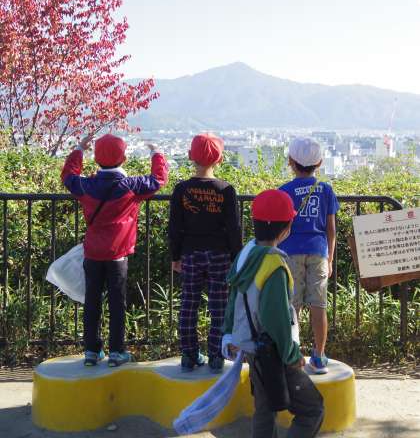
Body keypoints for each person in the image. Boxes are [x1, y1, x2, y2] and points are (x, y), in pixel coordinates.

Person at [222, 189, 324, 438]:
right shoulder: (274, 265)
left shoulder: (245, 256)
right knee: (312, 409)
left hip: (252, 346)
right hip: (275, 352)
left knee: (265, 409)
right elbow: (276, 319)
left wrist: (229, 334)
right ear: (286, 228)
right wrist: (291, 355)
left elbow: (233, 297)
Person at [61, 133, 168, 367]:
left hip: (93, 253)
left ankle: (91, 351)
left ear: (96, 159)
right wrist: (156, 153)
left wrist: (79, 149)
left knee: (92, 301)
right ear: (124, 158)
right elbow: (158, 179)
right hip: (118, 254)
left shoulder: (86, 185)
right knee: (117, 303)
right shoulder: (131, 186)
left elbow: (68, 175)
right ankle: (117, 352)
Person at [169, 133, 242, 373]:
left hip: (190, 253)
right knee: (219, 306)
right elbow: (234, 228)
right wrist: (236, 257)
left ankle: (189, 355)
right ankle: (216, 356)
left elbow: (174, 227)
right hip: (220, 254)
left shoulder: (182, 189)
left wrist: (175, 256)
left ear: (190, 156)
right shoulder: (226, 190)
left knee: (189, 303)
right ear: (219, 159)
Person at [279, 137, 339, 374]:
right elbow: (331, 229)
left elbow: (281, 228)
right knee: (318, 304)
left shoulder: (284, 191)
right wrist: (330, 258)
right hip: (319, 252)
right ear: (320, 163)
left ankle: (292, 355)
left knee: (292, 305)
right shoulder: (326, 190)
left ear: (291, 162)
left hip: (291, 252)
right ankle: (319, 356)